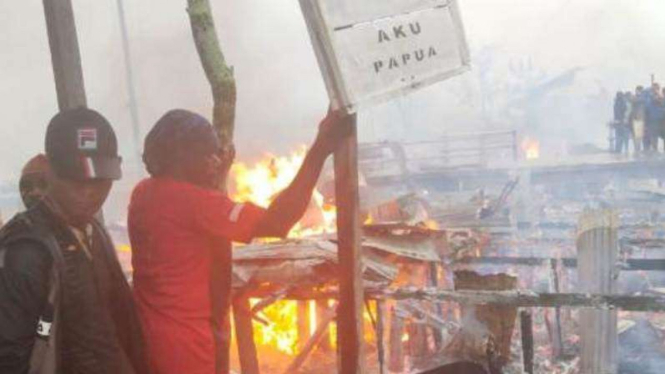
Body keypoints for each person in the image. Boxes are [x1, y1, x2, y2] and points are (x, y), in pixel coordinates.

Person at [128, 109, 352, 374]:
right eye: (207, 155)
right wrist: (320, 149)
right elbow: (279, 221)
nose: (216, 162)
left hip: (148, 338)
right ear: (182, 158)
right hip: (188, 348)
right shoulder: (197, 203)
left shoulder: (143, 193)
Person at [0, 108, 149, 374]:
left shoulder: (94, 231)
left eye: (99, 181)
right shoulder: (26, 250)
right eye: (76, 181)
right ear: (50, 172)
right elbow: (13, 353)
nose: (89, 194)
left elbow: (117, 328)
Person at [631, 86, 647, 154]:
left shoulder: (643, 98)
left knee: (640, 136)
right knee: (637, 136)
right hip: (637, 119)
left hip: (641, 118)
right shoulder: (636, 98)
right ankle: (637, 149)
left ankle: (639, 149)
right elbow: (634, 101)